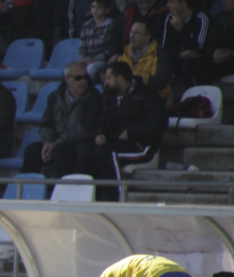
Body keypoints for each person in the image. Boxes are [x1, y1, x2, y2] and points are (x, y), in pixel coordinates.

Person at [94, 62, 167, 202]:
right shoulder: (111, 97)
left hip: (142, 146)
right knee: (89, 151)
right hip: (118, 144)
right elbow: (103, 120)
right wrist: (101, 134)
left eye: (109, 79)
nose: (105, 83)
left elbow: (159, 124)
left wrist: (131, 133)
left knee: (107, 154)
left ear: (120, 79)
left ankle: (117, 201)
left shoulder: (147, 96)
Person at [22, 63, 100, 178]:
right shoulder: (54, 97)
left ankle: (61, 193)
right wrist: (48, 142)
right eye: (78, 78)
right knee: (32, 151)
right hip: (57, 142)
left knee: (62, 151)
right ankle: (28, 193)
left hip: (79, 144)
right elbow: (45, 124)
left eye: (85, 77)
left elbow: (84, 130)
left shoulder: (94, 98)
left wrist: (56, 143)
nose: (83, 81)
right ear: (67, 79)